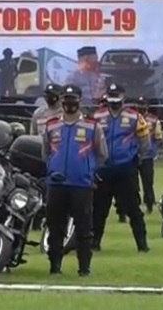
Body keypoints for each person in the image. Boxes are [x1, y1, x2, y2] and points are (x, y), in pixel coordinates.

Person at [42, 85, 105, 276]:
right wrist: (54, 168)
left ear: (79, 101)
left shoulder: (92, 126)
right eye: (66, 99)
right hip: (56, 184)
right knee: (55, 228)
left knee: (84, 228)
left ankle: (84, 268)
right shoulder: (51, 125)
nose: (69, 103)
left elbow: (101, 154)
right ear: (61, 100)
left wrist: (87, 169)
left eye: (73, 99)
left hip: (81, 184)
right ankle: (55, 268)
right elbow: (45, 153)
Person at [90, 84, 149, 252]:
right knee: (99, 210)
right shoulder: (97, 116)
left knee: (133, 209)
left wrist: (138, 158)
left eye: (117, 96)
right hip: (103, 171)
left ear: (123, 97)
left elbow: (145, 140)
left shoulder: (134, 117)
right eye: (111, 95)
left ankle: (142, 244)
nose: (113, 100)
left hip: (125, 170)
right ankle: (94, 243)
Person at [137, 97, 160, 214]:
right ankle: (134, 206)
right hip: (133, 155)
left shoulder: (154, 120)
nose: (141, 107)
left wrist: (154, 153)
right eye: (139, 105)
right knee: (132, 183)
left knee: (148, 182)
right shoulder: (132, 118)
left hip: (147, 156)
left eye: (143, 105)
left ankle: (149, 204)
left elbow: (157, 137)